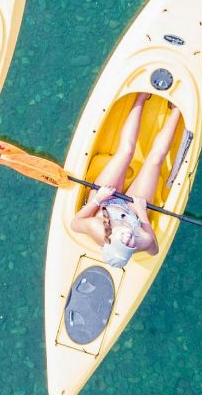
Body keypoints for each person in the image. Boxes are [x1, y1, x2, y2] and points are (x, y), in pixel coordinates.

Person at [65, 91, 182, 267]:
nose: (128, 239)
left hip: (106, 199)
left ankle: (141, 98)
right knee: (155, 160)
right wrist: (142, 214)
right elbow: (154, 248)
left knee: (126, 150)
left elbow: (75, 224)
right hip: (133, 209)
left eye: (123, 242)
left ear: (109, 239)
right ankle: (177, 111)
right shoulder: (138, 241)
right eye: (129, 246)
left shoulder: (97, 230)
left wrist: (98, 199)